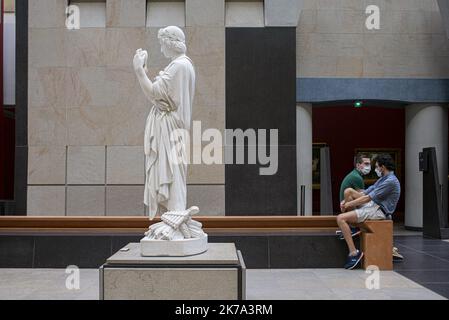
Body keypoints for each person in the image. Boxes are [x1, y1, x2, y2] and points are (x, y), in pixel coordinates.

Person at [337, 154, 401, 269]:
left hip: (379, 211)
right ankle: (354, 226)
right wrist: (345, 201)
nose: (375, 169)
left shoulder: (390, 181)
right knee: (348, 191)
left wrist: (348, 204)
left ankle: (354, 253)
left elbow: (368, 198)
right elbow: (367, 192)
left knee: (341, 218)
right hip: (373, 206)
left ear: (383, 167)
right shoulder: (384, 178)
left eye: (377, 166)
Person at [337, 154, 372, 239]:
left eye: (369, 164)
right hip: (347, 208)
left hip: (346, 206)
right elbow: (362, 198)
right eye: (366, 164)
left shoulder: (355, 174)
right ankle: (353, 227)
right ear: (358, 165)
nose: (369, 166)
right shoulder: (357, 178)